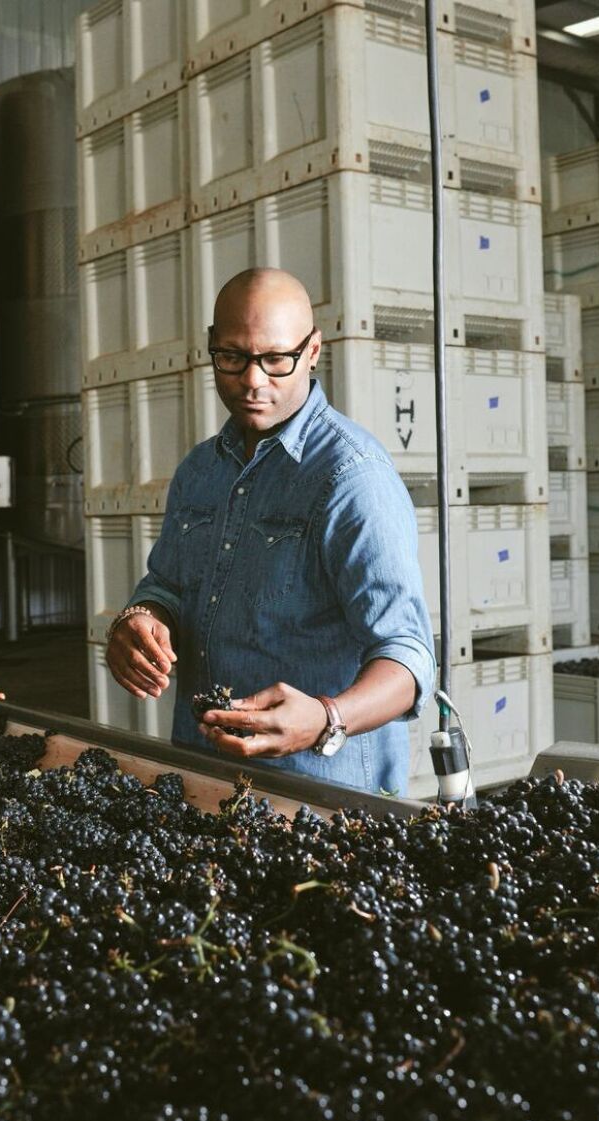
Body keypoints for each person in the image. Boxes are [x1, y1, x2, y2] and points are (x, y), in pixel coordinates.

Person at [106, 267, 435, 795]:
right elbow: (165, 585)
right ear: (211, 347)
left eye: (276, 359)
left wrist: (327, 717)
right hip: (204, 773)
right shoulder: (200, 471)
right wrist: (139, 620)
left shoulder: (352, 478)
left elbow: (409, 658)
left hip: (321, 798)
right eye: (232, 358)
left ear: (312, 351)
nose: (253, 381)